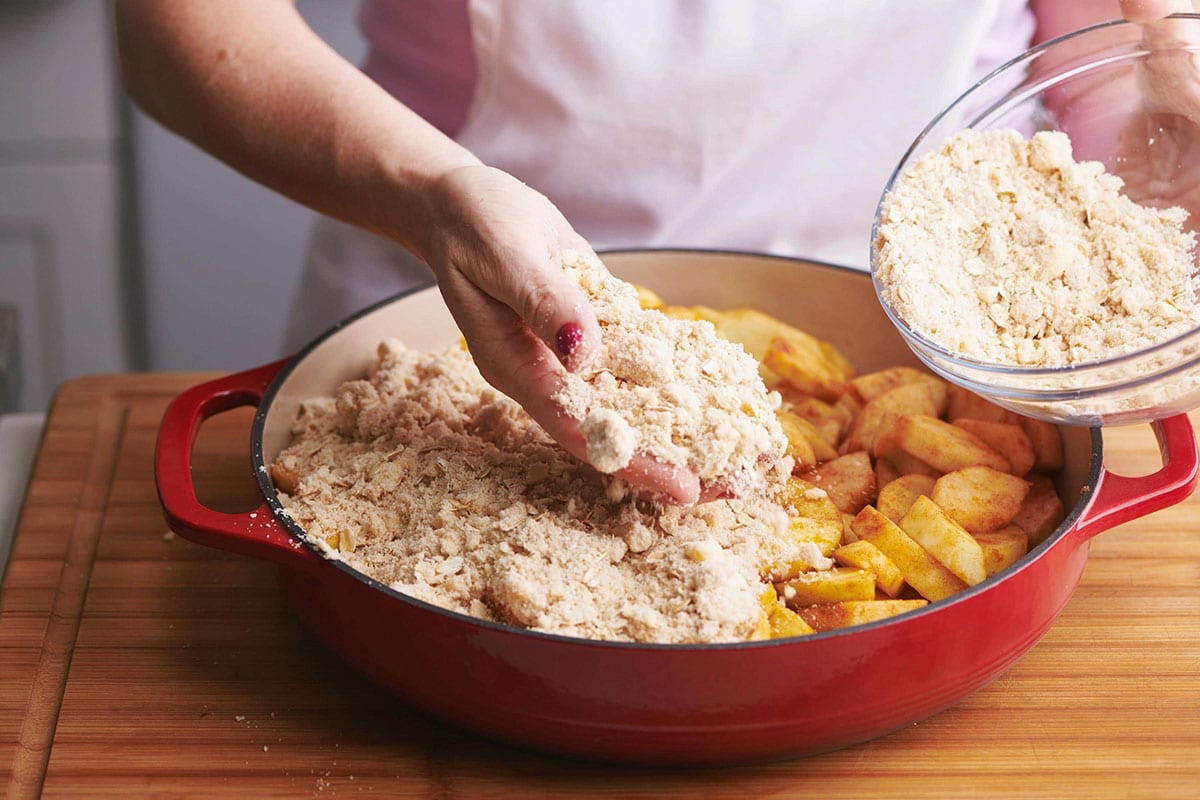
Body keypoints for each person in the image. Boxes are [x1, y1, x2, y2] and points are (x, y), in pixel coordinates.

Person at [113, 0, 1189, 503]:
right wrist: (438, 195)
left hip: (953, 324)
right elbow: (178, 32)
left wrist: (1160, 115)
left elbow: (1101, 51)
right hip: (455, 308)